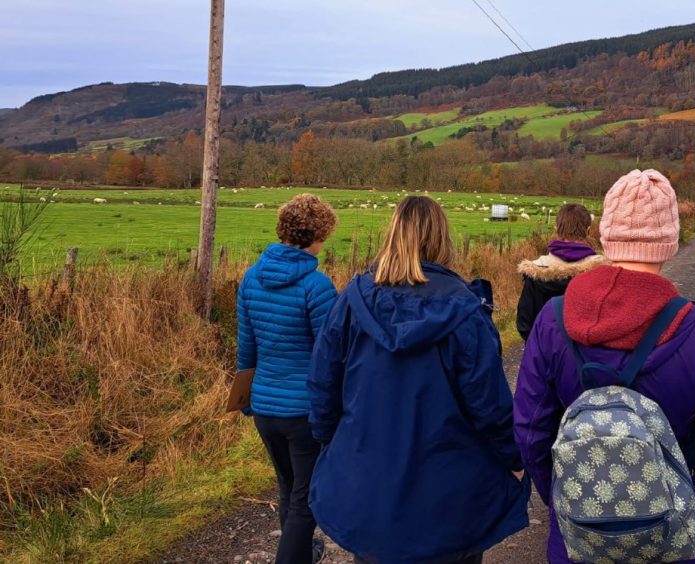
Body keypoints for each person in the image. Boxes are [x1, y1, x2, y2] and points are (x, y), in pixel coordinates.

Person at [513, 170, 695, 564]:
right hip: (674, 541)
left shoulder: (551, 323)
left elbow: (529, 432)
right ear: (670, 241)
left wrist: (566, 499)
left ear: (606, 235)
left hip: (579, 541)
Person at [308, 196, 529, 564]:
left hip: (370, 486)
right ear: (442, 238)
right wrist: (514, 459)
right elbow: (489, 406)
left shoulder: (351, 301)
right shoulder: (465, 310)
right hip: (449, 497)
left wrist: (333, 445)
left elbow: (322, 387)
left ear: (392, 235)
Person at [237, 193, 338, 564]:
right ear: (318, 235)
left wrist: (246, 398)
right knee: (305, 500)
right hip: (304, 411)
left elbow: (246, 347)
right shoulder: (318, 287)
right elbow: (330, 358)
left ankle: (303, 552)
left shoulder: (251, 278)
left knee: (288, 486)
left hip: (265, 407)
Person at [516, 203, 604, 342]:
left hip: (547, 352)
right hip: (587, 355)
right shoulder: (602, 270)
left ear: (557, 229)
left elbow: (525, 324)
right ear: (588, 231)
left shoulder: (537, 270)